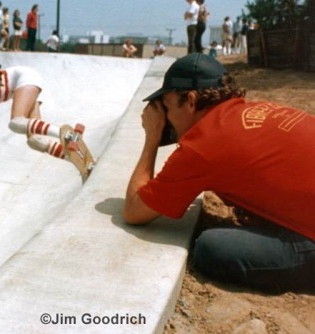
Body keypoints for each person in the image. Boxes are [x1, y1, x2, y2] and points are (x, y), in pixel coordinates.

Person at [123, 53, 315, 293]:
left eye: (167, 108)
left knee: (211, 247)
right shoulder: (257, 109)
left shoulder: (202, 145)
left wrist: (152, 137)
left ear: (191, 100)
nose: (166, 118)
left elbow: (133, 210)